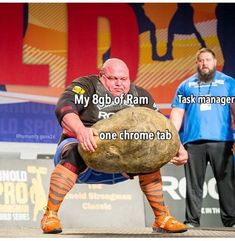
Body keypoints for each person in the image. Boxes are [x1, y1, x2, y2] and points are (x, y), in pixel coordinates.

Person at [41, 58, 188, 234]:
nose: (119, 84)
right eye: (113, 79)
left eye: (124, 79)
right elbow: (64, 107)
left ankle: (162, 218)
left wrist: (178, 146)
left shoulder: (140, 96)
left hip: (122, 162)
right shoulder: (86, 86)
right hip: (84, 154)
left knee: (150, 156)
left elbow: (161, 126)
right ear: (101, 76)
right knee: (74, 150)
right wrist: (81, 130)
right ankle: (50, 215)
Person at [170, 48, 235, 228]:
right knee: (193, 185)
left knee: (226, 182)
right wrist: (174, 142)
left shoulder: (228, 83)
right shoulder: (185, 86)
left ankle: (231, 221)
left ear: (215, 62)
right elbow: (177, 114)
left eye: (208, 59)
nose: (204, 63)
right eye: (200, 60)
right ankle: (192, 221)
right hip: (193, 142)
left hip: (222, 141)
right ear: (197, 63)